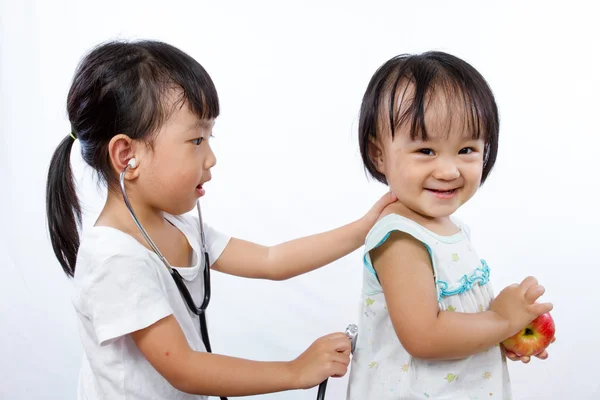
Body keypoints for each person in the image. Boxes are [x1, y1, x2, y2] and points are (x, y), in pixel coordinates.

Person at [45, 39, 396, 399]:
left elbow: (271, 260)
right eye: (196, 140)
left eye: (209, 138)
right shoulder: (114, 258)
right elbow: (183, 367)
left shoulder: (176, 226)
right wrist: (294, 371)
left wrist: (363, 228)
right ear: (126, 155)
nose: (210, 158)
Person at [346, 51, 554, 399]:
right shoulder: (401, 239)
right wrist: (501, 320)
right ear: (378, 153)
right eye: (426, 150)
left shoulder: (448, 228)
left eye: (467, 149)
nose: (448, 170)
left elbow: (455, 321)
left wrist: (499, 336)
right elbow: (425, 336)